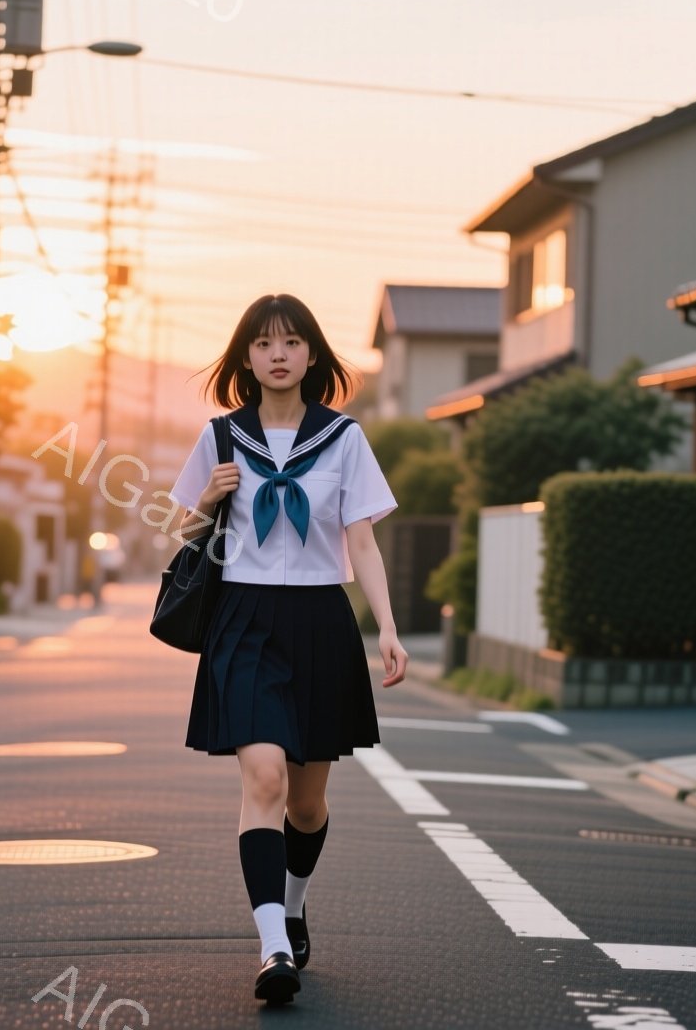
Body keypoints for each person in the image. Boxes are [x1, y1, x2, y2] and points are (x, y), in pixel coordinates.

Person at [164, 292, 407, 1006]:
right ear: (246, 357)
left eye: (292, 342)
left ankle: (294, 903)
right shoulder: (219, 436)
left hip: (321, 623)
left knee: (307, 802)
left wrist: (386, 629)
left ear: (312, 355)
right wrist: (207, 498)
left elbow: (361, 540)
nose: (278, 354)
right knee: (264, 779)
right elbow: (179, 532)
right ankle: (272, 946)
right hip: (242, 619)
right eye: (264, 343)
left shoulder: (343, 438)